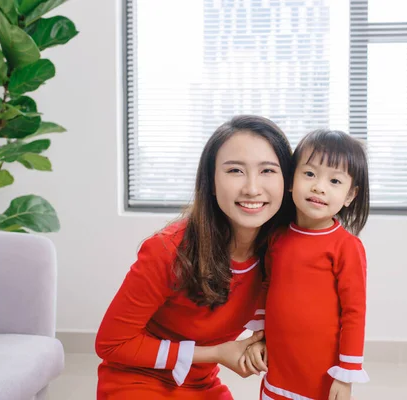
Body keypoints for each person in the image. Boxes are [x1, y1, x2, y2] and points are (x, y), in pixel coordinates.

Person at [95, 115, 294, 399]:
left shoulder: (281, 254)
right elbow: (111, 345)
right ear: (211, 182)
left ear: (287, 182)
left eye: (268, 171)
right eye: (235, 170)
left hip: (201, 385)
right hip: (136, 380)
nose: (252, 187)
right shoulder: (167, 251)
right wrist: (216, 353)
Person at [241, 129, 371, 400]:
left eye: (335, 180)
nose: (319, 187)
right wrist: (258, 339)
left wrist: (346, 374)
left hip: (321, 374)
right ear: (291, 180)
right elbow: (266, 288)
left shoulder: (346, 248)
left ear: (350, 195)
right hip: (279, 368)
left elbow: (354, 313)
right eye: (309, 174)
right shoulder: (276, 237)